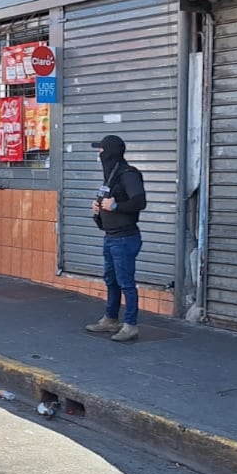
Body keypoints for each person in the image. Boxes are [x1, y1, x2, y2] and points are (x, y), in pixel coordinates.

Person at [83, 134, 148, 343]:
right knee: (111, 280)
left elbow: (139, 201)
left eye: (100, 150)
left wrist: (115, 206)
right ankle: (110, 319)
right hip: (111, 237)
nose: (98, 154)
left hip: (125, 238)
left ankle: (130, 325)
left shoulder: (128, 174)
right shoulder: (110, 177)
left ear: (109, 152)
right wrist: (98, 211)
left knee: (125, 282)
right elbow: (107, 204)